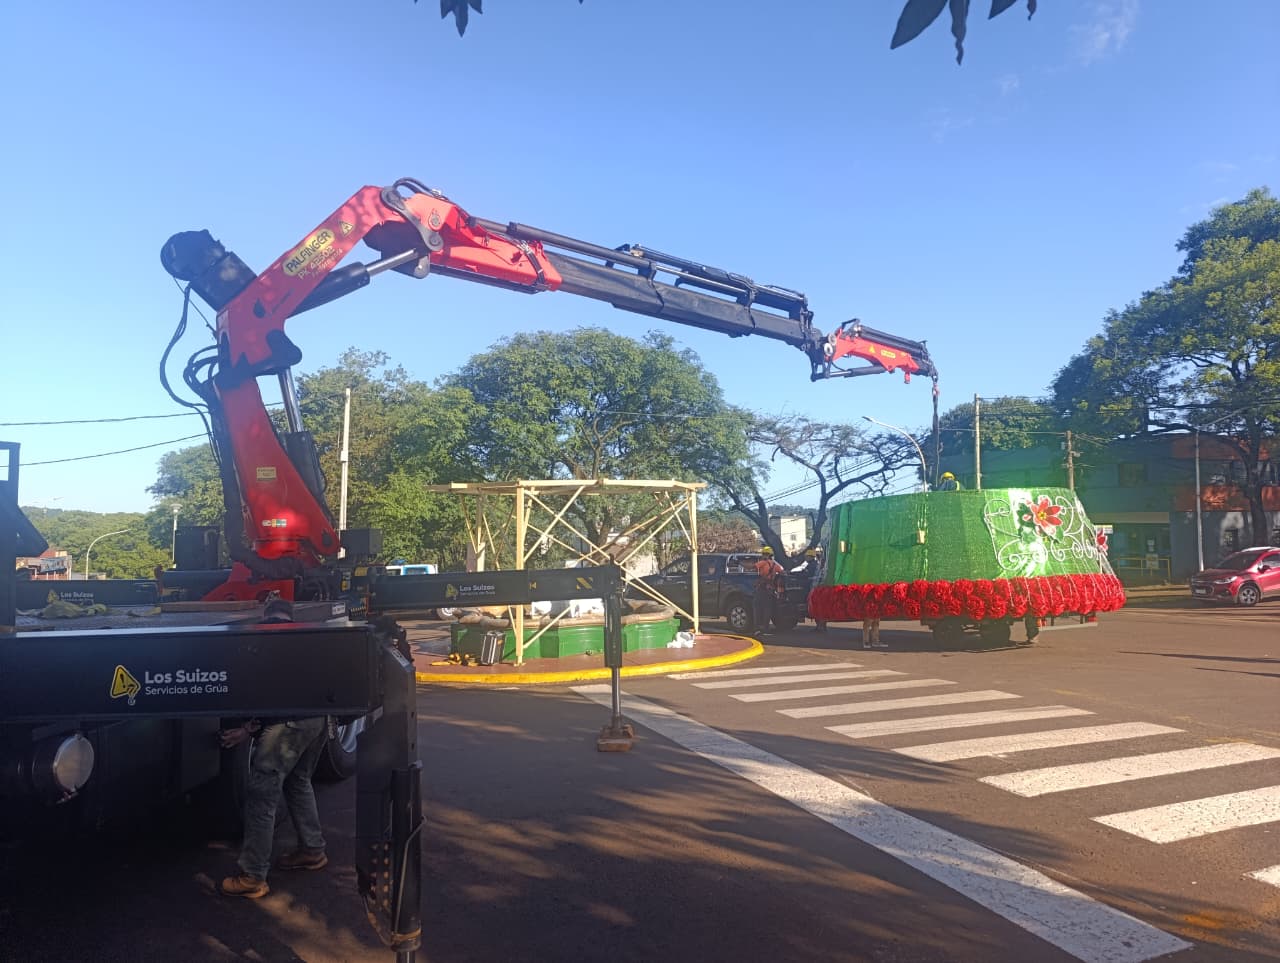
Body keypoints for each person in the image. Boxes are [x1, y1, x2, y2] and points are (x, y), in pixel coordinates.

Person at [220, 602, 331, 900]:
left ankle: (253, 875)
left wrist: (247, 730)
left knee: (262, 794)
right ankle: (312, 849)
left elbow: (272, 697)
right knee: (298, 781)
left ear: (266, 617)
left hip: (289, 724)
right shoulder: (303, 640)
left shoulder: (267, 643)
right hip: (318, 719)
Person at [753, 547, 784, 633]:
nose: (762, 556)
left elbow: (753, 567)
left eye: (763, 554)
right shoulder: (774, 565)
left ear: (766, 555)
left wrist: (741, 564)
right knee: (767, 608)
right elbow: (782, 572)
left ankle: (758, 627)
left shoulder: (762, 563)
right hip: (770, 589)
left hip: (762, 588)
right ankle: (766, 627)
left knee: (758, 607)